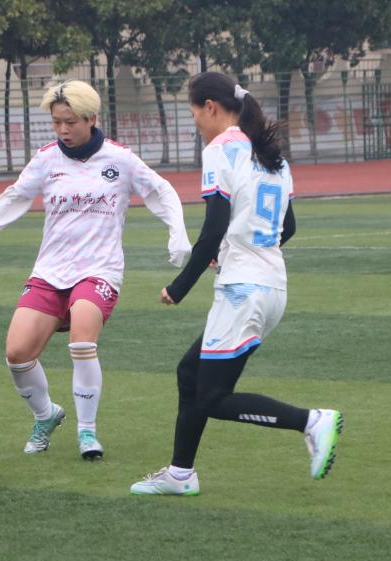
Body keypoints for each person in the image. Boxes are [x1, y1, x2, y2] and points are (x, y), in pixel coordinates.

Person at [130, 72, 343, 496]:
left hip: (243, 290)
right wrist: (237, 250)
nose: (194, 121)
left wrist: (179, 286)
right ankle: (180, 474)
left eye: (194, 111)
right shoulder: (272, 156)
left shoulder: (221, 149)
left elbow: (214, 227)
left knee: (213, 397)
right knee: (190, 373)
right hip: (271, 287)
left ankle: (311, 421)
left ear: (210, 107)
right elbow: (287, 228)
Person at [0, 80, 191, 460]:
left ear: (91, 118)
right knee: (17, 353)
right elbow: (16, 196)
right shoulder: (47, 159)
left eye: (70, 122)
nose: (63, 130)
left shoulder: (120, 159)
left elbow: (161, 191)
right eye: (56, 122)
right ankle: (45, 415)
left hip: (99, 269)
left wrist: (178, 236)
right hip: (51, 269)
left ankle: (87, 432)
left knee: (82, 338)